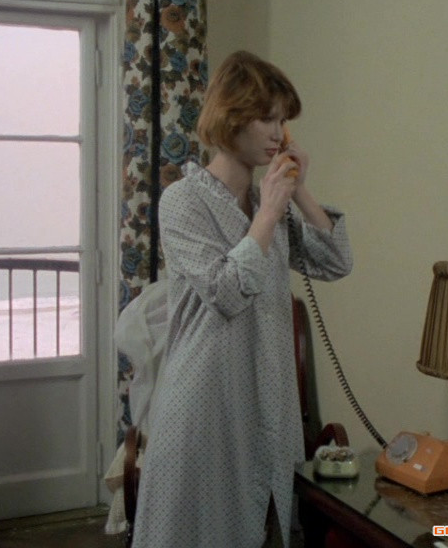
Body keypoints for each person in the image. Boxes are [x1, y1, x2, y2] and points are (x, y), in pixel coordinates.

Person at [130, 50, 353, 548]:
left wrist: (298, 191)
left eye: (283, 121)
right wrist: (269, 214)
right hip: (204, 405)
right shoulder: (183, 201)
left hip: (268, 400)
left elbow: (336, 262)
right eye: (266, 118)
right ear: (232, 119)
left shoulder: (267, 201)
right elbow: (226, 292)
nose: (279, 133)